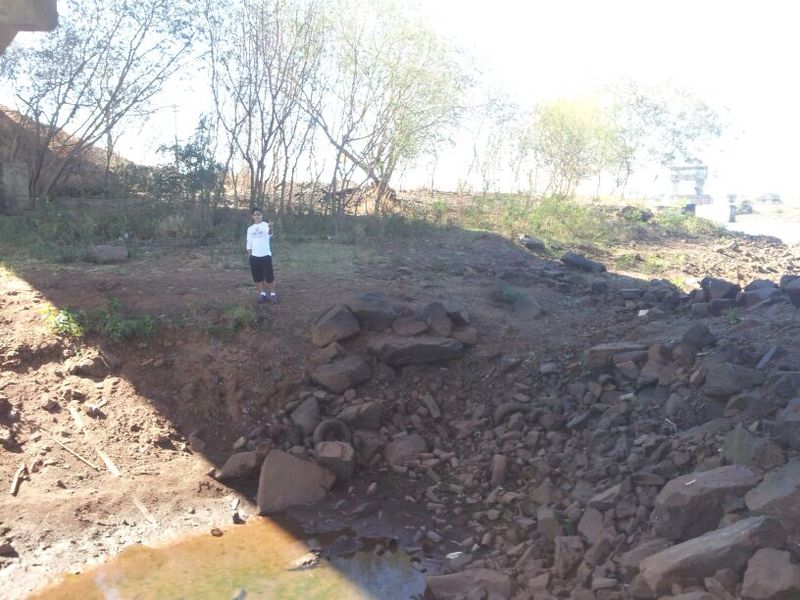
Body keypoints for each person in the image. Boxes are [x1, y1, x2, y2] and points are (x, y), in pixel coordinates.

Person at [246, 207, 277, 304]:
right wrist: (250, 255)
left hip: (265, 255)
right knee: (258, 277)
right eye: (255, 215)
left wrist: (271, 227)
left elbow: (270, 233)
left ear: (261, 215)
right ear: (252, 216)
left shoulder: (266, 225)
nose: (257, 216)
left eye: (259, 214)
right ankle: (262, 294)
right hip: (254, 256)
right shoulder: (250, 229)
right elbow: (249, 242)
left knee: (269, 277)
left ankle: (272, 294)